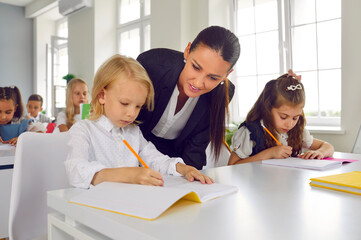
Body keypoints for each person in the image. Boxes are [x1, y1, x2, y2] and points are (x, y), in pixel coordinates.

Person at [65, 54, 213, 189]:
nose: (131, 114)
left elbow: (155, 159)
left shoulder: (133, 132)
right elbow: (75, 169)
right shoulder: (83, 130)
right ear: (102, 95)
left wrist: (183, 168)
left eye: (138, 106)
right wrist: (128, 175)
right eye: (124, 103)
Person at [136, 25, 240, 170]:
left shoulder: (223, 93)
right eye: (196, 67)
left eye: (213, 78)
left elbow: (196, 148)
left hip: (176, 160)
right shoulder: (152, 64)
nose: (198, 83)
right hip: (133, 148)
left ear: (227, 75)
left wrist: (190, 177)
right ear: (187, 51)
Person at [228, 70, 334, 165]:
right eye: (283, 117)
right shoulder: (250, 132)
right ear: (268, 108)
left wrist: (320, 152)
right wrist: (269, 154)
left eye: (295, 118)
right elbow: (232, 165)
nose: (290, 124)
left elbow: (328, 146)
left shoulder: (296, 131)